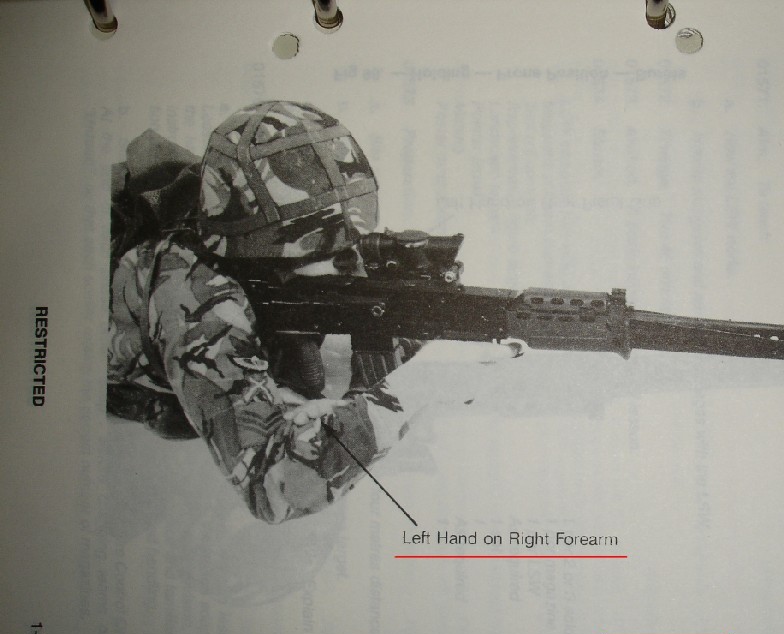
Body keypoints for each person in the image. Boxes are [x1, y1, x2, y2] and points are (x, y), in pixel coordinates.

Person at [107, 101, 517, 524]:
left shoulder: (258, 247)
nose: (349, 259)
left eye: (347, 240)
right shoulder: (189, 289)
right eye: (320, 245)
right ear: (263, 248)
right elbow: (276, 488)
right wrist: (412, 388)